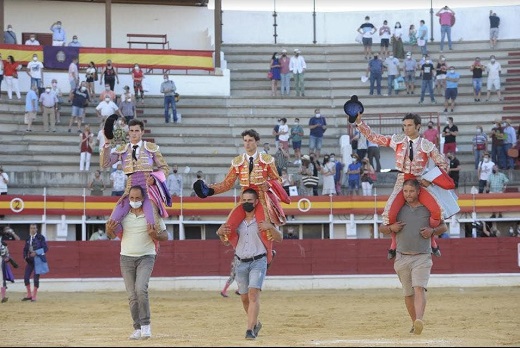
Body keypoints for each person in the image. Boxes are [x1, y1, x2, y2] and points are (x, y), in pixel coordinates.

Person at [355, 112, 452, 259]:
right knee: (389, 215)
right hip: (402, 181)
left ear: (418, 126)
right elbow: (374, 137)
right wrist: (359, 123)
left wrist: (430, 180)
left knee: (437, 211)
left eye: (409, 125)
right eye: (404, 125)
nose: (406, 128)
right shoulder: (397, 140)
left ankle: (432, 242)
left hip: (420, 182)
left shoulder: (427, 145)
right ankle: (393, 245)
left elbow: (444, 164)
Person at [194, 129, 289, 257]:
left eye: (250, 140)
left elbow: (277, 179)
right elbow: (227, 183)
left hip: (261, 199)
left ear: (257, 142)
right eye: (245, 141)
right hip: (244, 199)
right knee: (228, 227)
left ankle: (268, 257)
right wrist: (209, 191)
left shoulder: (267, 160)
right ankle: (240, 253)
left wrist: (270, 184)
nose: (247, 143)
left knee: (265, 229)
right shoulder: (237, 162)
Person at [378, 179, 448, 335]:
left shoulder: (427, 208)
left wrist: (432, 231)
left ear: (418, 192)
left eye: (411, 191)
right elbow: (381, 227)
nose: (408, 194)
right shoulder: (397, 209)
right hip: (402, 257)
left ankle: (420, 320)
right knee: (408, 293)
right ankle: (414, 323)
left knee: (419, 288)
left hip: (422, 256)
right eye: (405, 191)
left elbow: (443, 226)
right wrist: (391, 228)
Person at [215, 188, 283, 340]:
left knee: (253, 295)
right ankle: (256, 323)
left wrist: (271, 227)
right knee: (244, 298)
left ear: (256, 202)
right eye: (244, 201)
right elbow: (226, 242)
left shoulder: (264, 219)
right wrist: (220, 233)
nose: (246, 203)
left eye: (249, 201)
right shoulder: (236, 222)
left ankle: (249, 330)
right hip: (240, 262)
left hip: (258, 261)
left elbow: (279, 238)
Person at [105, 185, 168, 340]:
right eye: (131, 198)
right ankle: (137, 328)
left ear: (143, 198)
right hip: (126, 258)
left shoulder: (151, 214)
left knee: (141, 289)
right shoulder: (123, 216)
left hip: (146, 256)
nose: (134, 201)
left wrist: (155, 234)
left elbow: (165, 236)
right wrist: (108, 230)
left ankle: (146, 325)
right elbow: (110, 236)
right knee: (132, 296)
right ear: (128, 198)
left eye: (137, 198)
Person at [101, 118, 171, 236]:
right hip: (130, 191)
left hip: (148, 191)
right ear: (128, 132)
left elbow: (165, 168)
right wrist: (107, 143)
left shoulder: (151, 147)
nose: (134, 133)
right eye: (132, 130)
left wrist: (154, 179)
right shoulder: (122, 149)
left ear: (142, 132)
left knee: (152, 225)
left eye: (137, 130)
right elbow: (105, 163)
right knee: (111, 223)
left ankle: (152, 248)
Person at [22, 224, 49, 302]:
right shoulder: (28, 238)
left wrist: (36, 252)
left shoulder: (41, 237)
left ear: (37, 229)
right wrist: (24, 257)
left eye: (34, 228)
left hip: (38, 260)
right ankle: (29, 295)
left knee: (36, 279)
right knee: (26, 277)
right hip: (30, 260)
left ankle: (34, 296)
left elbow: (46, 248)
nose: (32, 230)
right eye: (31, 228)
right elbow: (25, 249)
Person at [0, 226, 20, 302]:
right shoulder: (3, 237)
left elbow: (18, 239)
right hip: (2, 258)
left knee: (2, 279)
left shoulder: (6, 237)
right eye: (6, 229)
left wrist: (12, 233)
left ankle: (3, 297)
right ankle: (3, 297)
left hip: (3, 258)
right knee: (2, 279)